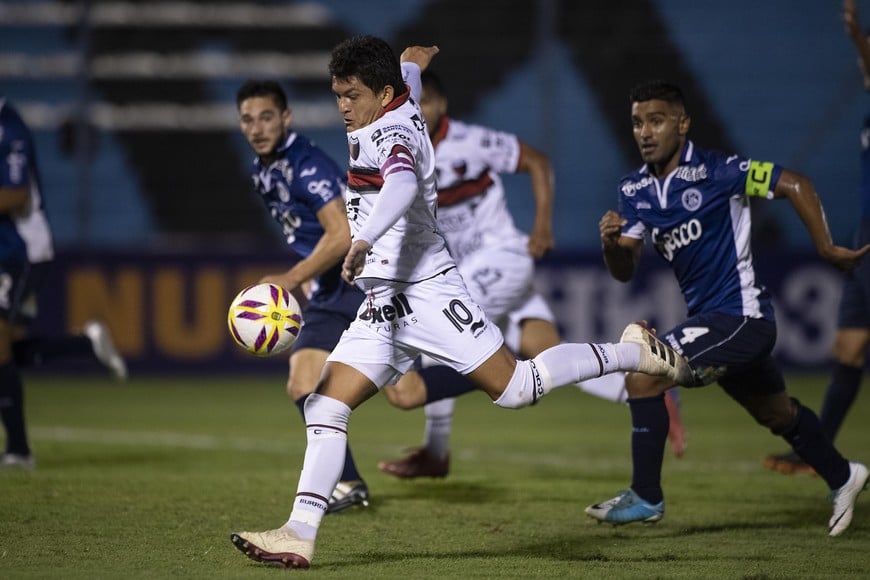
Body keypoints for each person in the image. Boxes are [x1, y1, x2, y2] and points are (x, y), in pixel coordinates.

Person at [229, 36, 693, 570]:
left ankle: (633, 352)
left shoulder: (390, 133)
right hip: (383, 303)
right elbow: (406, 81)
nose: (343, 107)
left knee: (517, 388)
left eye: (352, 95)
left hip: (426, 292)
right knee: (324, 405)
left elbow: (402, 184)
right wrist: (412, 63)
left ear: (381, 95)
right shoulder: (399, 99)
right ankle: (298, 533)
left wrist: (364, 238)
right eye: (338, 95)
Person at [585, 80, 869, 537]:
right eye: (637, 123)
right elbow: (624, 269)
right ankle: (843, 475)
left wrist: (826, 247)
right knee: (776, 414)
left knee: (642, 373)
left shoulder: (720, 171)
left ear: (682, 124)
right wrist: (610, 244)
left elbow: (795, 183)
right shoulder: (634, 190)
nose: (645, 132)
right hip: (713, 322)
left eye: (656, 121)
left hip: (742, 316)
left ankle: (646, 495)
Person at [376, 67, 686, 480]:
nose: (422, 109)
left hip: (501, 259)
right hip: (470, 269)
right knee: (548, 354)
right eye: (416, 103)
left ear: (442, 105)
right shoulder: (402, 152)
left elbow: (537, 161)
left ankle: (437, 451)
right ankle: (645, 388)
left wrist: (542, 227)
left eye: (428, 101)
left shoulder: (471, 141)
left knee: (442, 340)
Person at [235, 80, 371, 513]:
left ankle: (500, 372)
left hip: (363, 280)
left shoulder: (305, 165)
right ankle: (349, 483)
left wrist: (293, 277)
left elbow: (342, 233)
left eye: (266, 117)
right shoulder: (263, 169)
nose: (257, 128)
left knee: (408, 392)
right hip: (331, 288)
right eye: (248, 120)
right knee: (302, 382)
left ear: (286, 118)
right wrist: (312, 277)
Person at [764, 0, 870, 476]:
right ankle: (818, 452)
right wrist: (858, 40)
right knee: (848, 347)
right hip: (865, 233)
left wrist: (857, 38)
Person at [0, 98, 127, 470]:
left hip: (20, 251)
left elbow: (16, 193)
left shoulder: (8, 127)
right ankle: (85, 344)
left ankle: (19, 451)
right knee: (10, 348)